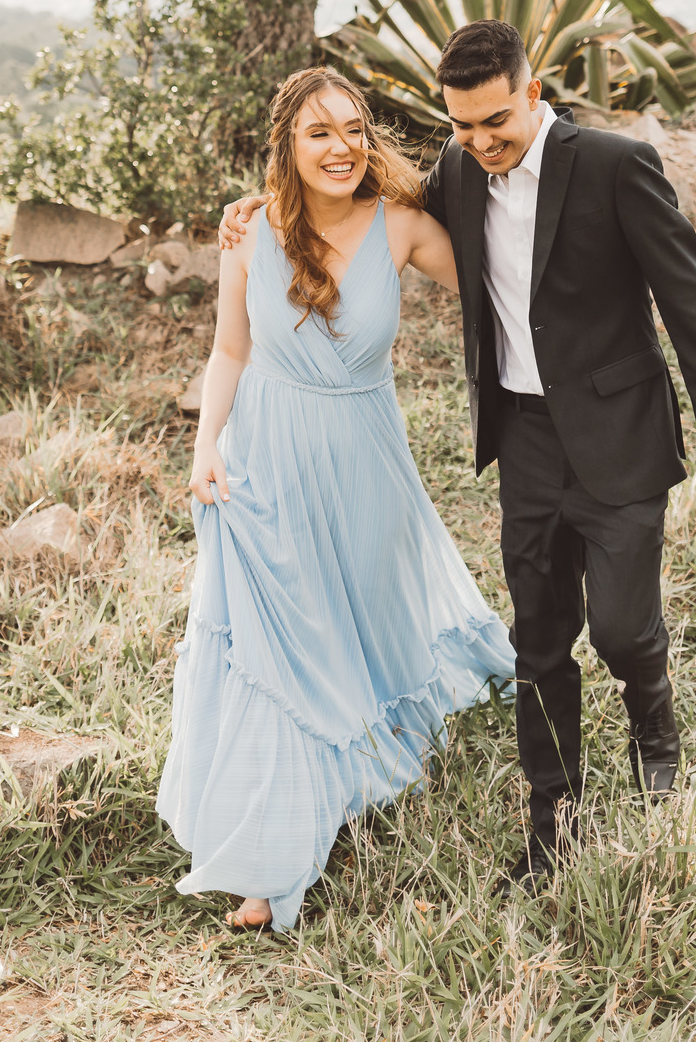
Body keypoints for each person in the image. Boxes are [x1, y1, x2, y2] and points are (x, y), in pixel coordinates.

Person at [222, 20, 696, 891]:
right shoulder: (459, 176)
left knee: (622, 629)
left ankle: (653, 726)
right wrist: (255, 209)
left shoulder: (616, 167)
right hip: (527, 442)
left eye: (495, 121)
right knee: (539, 640)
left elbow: (689, 302)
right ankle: (554, 821)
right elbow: (361, 206)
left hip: (620, 435)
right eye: (461, 126)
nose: (479, 142)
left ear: (533, 92)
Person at [157, 67, 515, 934]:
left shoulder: (401, 229)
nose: (342, 147)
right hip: (264, 467)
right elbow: (230, 352)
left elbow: (507, 281)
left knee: (357, 629)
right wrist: (206, 448)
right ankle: (270, 863)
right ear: (286, 144)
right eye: (319, 132)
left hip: (365, 462)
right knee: (280, 649)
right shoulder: (248, 234)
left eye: (354, 129)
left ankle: (348, 766)